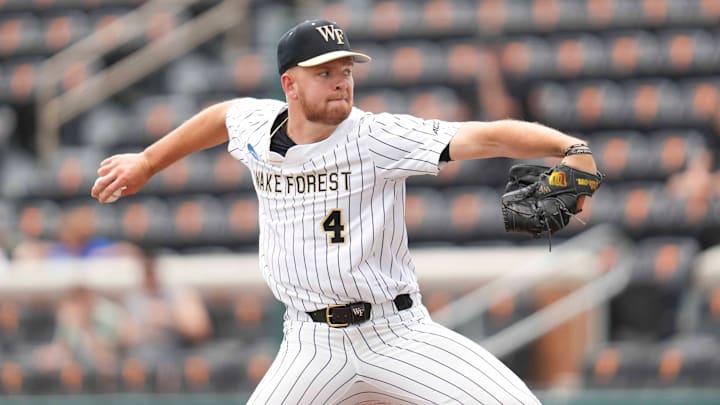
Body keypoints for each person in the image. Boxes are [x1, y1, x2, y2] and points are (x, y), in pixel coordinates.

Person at [92, 19, 599, 404]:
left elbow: (485, 135)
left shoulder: (377, 137)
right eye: (325, 73)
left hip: (395, 332)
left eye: (346, 70)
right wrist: (147, 162)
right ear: (290, 84)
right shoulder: (256, 127)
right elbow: (221, 117)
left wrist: (569, 146)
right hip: (310, 345)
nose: (341, 82)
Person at [123, 249, 211, 364]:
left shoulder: (178, 294)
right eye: (146, 270)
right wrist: (146, 328)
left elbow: (199, 331)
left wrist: (169, 317)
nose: (150, 276)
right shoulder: (133, 299)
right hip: (141, 360)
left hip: (175, 357)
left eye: (152, 269)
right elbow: (125, 338)